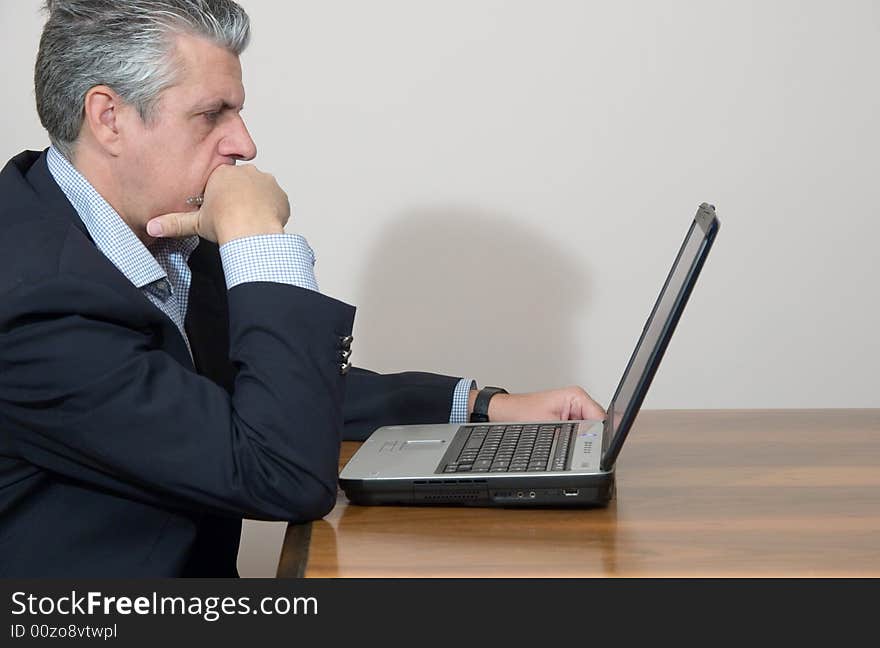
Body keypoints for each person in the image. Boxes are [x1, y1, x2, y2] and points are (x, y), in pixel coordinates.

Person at [0, 0, 605, 577]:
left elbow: (250, 388)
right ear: (109, 118)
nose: (244, 144)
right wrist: (256, 239)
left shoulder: (150, 225)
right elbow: (283, 472)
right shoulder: (31, 303)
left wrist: (480, 406)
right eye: (212, 114)